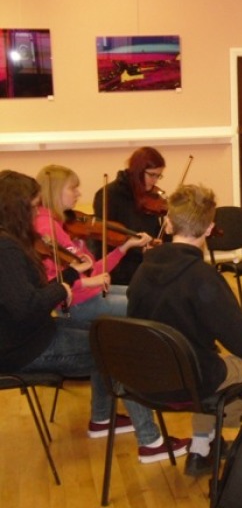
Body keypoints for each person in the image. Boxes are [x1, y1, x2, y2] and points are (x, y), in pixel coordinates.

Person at [0, 170, 189, 463]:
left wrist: (66, 279)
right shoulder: (6, 248)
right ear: (17, 207)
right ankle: (151, 442)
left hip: (34, 334)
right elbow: (27, 306)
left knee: (107, 334)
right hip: (26, 348)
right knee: (121, 348)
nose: (39, 211)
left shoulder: (11, 241)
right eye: (35, 205)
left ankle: (101, 419)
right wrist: (63, 287)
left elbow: (27, 299)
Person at [127, 184, 242, 477]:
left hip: (142, 379)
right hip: (187, 382)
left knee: (202, 361)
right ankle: (208, 444)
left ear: (167, 224)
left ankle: (201, 449)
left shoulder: (142, 271)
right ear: (209, 228)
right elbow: (240, 338)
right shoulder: (203, 278)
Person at [34, 165, 154, 326]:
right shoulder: (46, 228)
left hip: (89, 295)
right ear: (55, 191)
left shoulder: (60, 225)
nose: (78, 193)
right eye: (73, 188)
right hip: (78, 303)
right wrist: (89, 282)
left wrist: (124, 247)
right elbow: (51, 281)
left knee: (148, 295)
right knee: (150, 305)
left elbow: (92, 270)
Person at [93, 146, 167, 285]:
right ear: (138, 171)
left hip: (145, 264)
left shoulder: (151, 197)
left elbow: (154, 232)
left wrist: (162, 237)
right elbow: (107, 239)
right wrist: (140, 248)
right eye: (152, 175)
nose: (155, 181)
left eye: (159, 176)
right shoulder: (109, 195)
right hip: (120, 268)